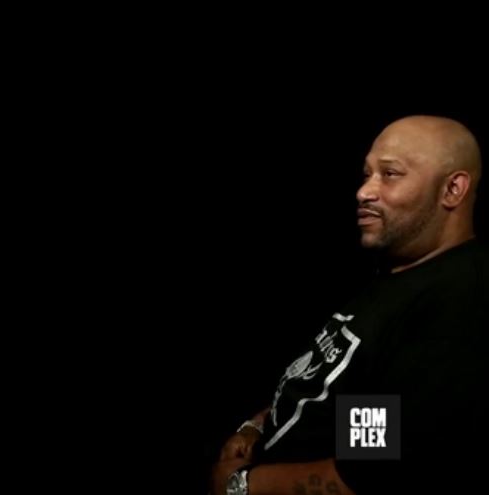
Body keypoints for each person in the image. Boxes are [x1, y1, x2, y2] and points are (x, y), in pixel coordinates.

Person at [209, 115, 489, 494]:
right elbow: (343, 393)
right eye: (367, 174)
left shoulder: (456, 301)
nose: (363, 192)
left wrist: (239, 485)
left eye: (390, 174)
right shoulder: (401, 274)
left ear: (452, 189)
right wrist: (255, 428)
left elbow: (369, 474)